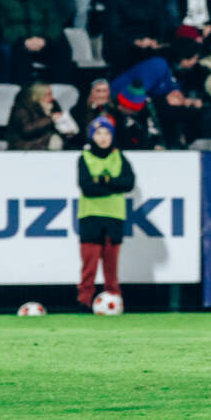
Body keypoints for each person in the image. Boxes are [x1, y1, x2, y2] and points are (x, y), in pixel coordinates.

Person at [77, 116, 135, 308]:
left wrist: (103, 181)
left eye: (107, 133)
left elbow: (128, 183)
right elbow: (87, 187)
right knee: (89, 263)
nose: (103, 138)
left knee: (111, 264)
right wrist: (113, 185)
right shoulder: (85, 158)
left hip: (114, 215)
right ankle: (84, 299)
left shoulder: (119, 157)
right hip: (90, 215)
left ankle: (114, 298)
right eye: (98, 133)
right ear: (92, 136)